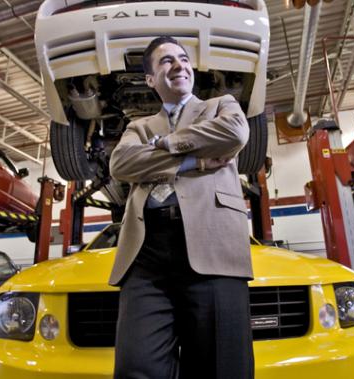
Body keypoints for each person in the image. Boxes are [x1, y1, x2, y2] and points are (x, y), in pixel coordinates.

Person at [109, 36, 254, 379]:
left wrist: (166, 144)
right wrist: (195, 162)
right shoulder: (137, 127)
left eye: (184, 59)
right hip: (145, 255)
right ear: (149, 80)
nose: (179, 65)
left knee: (222, 368)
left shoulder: (222, 105)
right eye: (166, 61)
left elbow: (234, 133)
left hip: (214, 245)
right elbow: (121, 165)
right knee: (135, 368)